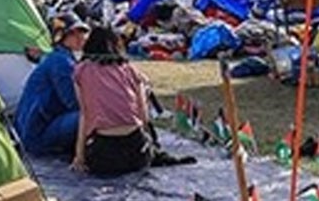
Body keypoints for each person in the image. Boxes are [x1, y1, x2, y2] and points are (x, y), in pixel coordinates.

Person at [71, 27, 190, 176]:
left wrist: (79, 156)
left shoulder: (81, 71)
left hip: (104, 153)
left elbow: (85, 115)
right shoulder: (130, 71)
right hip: (136, 151)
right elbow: (144, 116)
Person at [15, 16, 91, 156]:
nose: (81, 37)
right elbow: (73, 102)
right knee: (91, 114)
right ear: (61, 36)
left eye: (82, 32)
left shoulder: (56, 57)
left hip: (31, 129)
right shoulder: (62, 63)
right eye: (74, 33)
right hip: (38, 134)